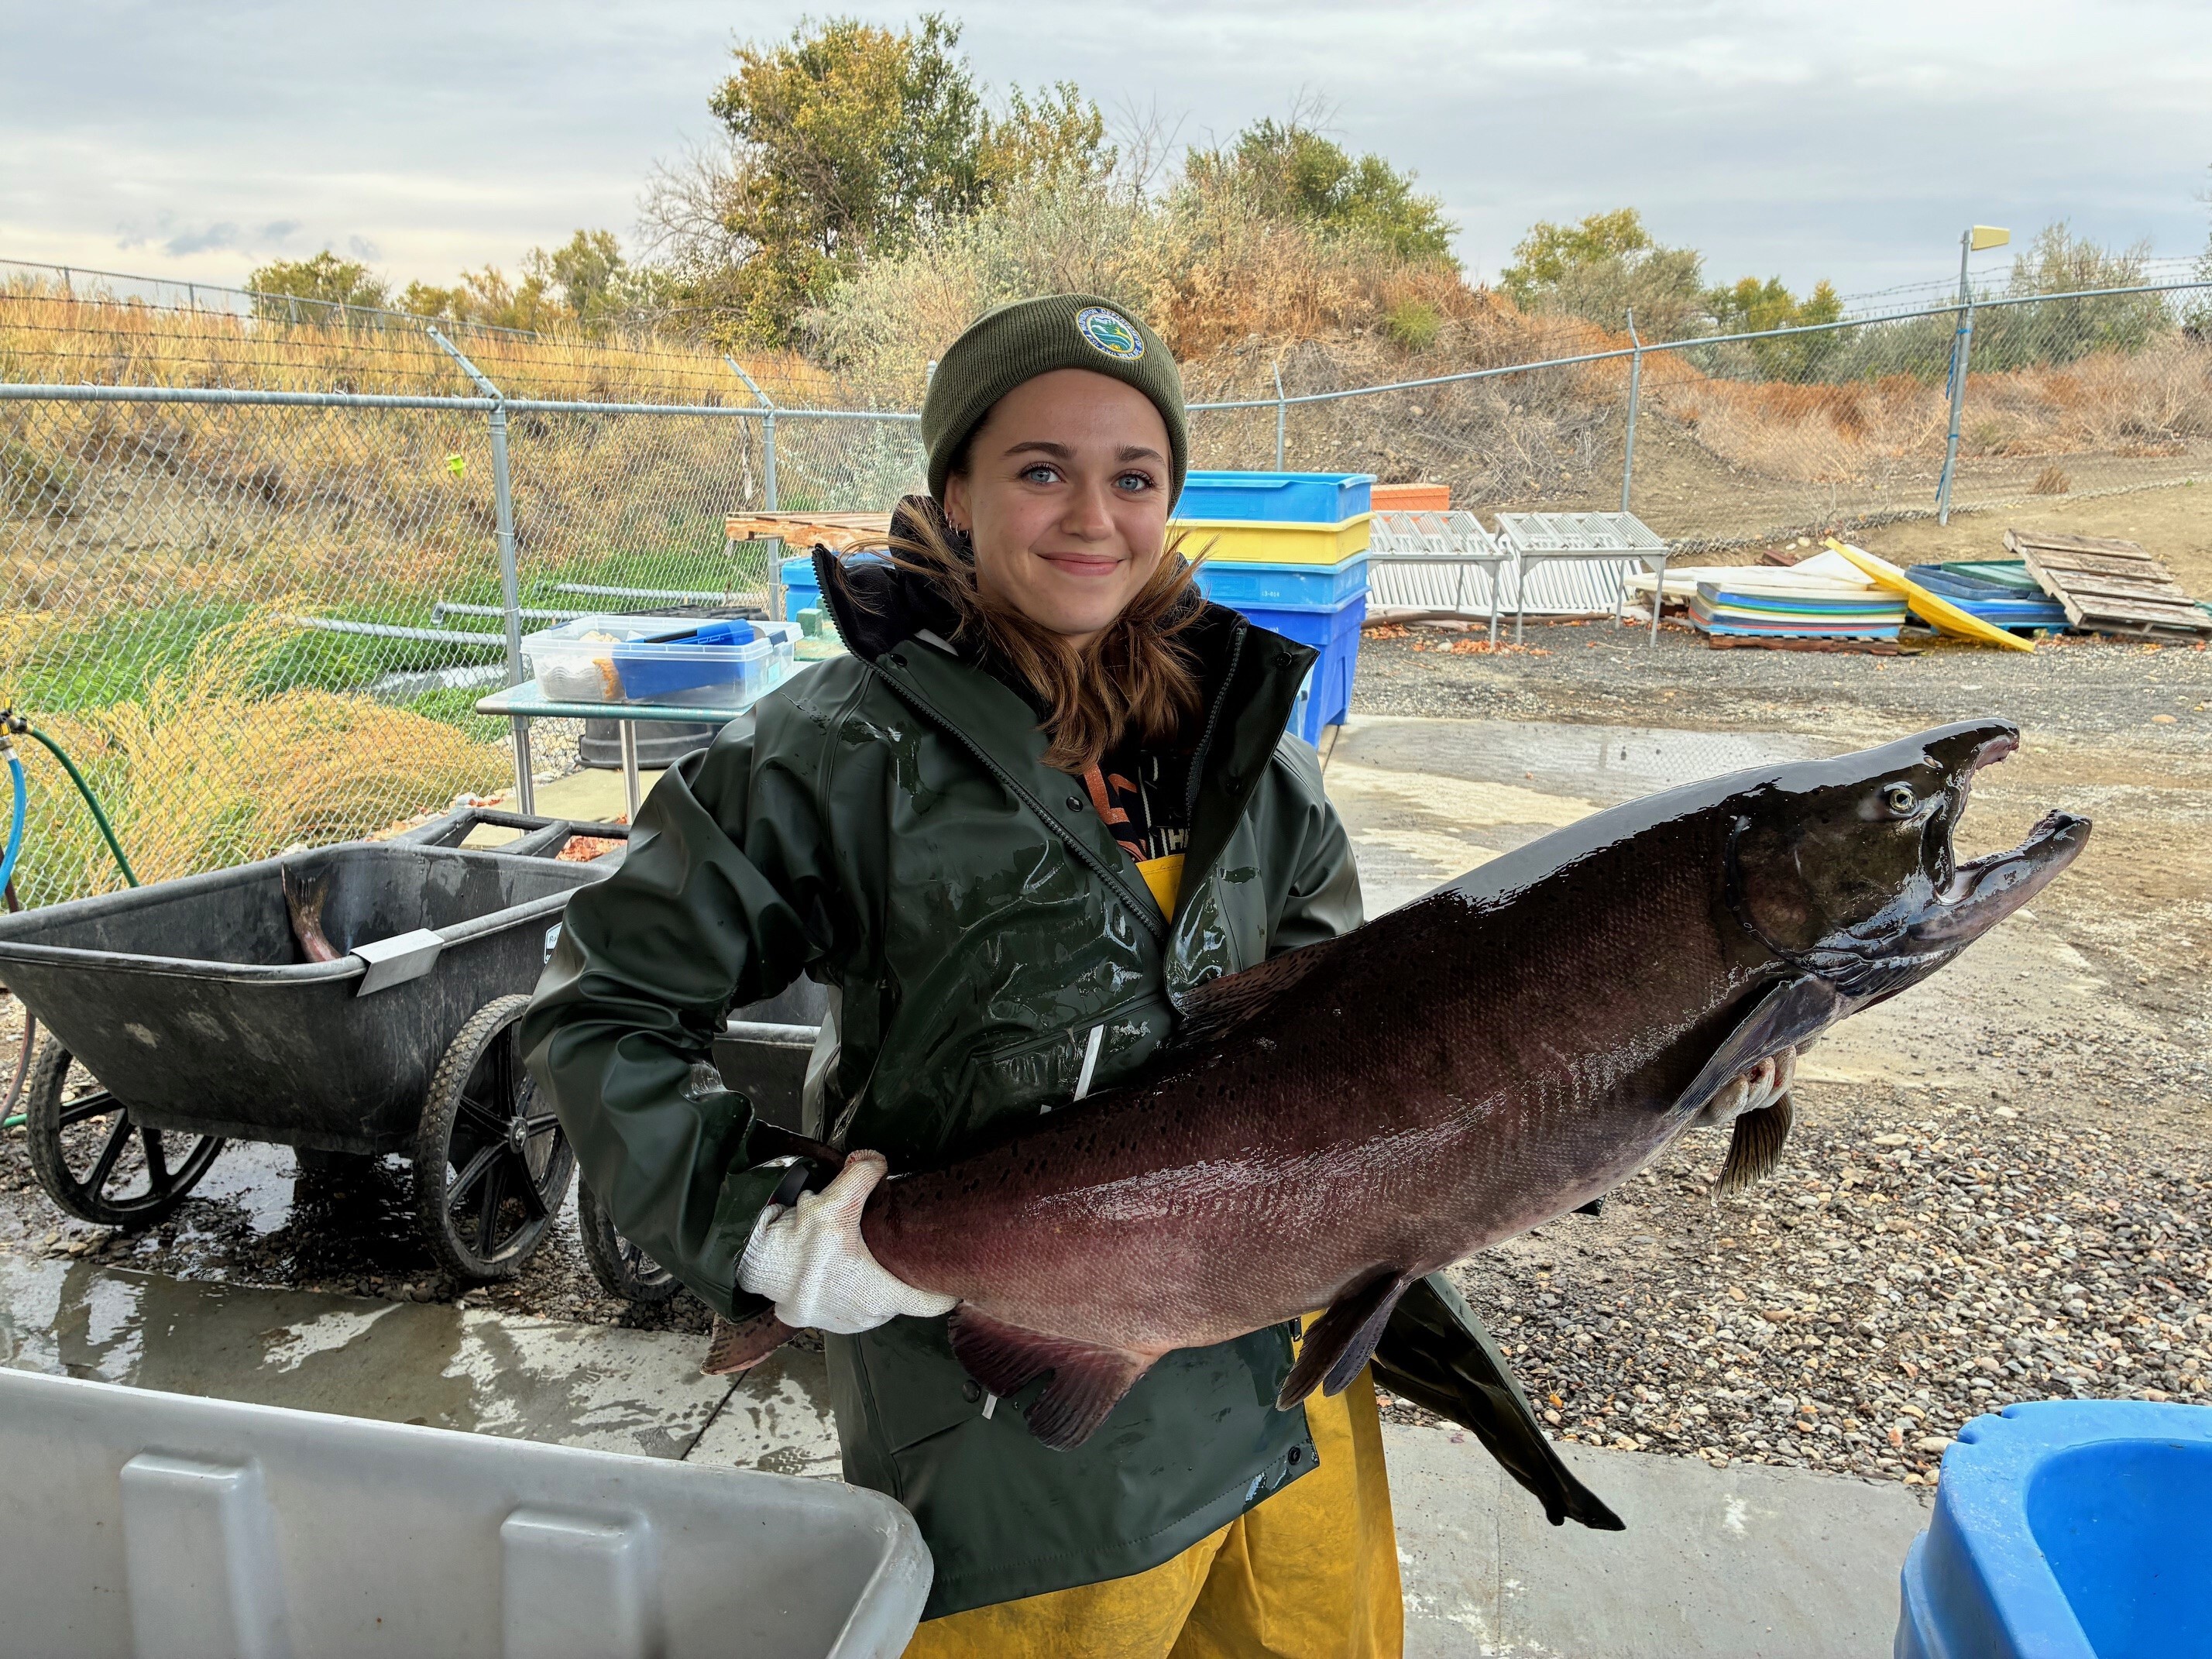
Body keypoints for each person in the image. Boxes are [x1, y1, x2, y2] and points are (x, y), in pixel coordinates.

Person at [523, 294, 1614, 1657]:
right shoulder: (830, 753)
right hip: (1033, 1444)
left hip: (1290, 1393)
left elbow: (1354, 1031)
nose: (1094, 515)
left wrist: (1640, 1064)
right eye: (1043, 469)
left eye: (1134, 475)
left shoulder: (1246, 749)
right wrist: (757, 1229)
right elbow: (598, 1010)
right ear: (958, 493)